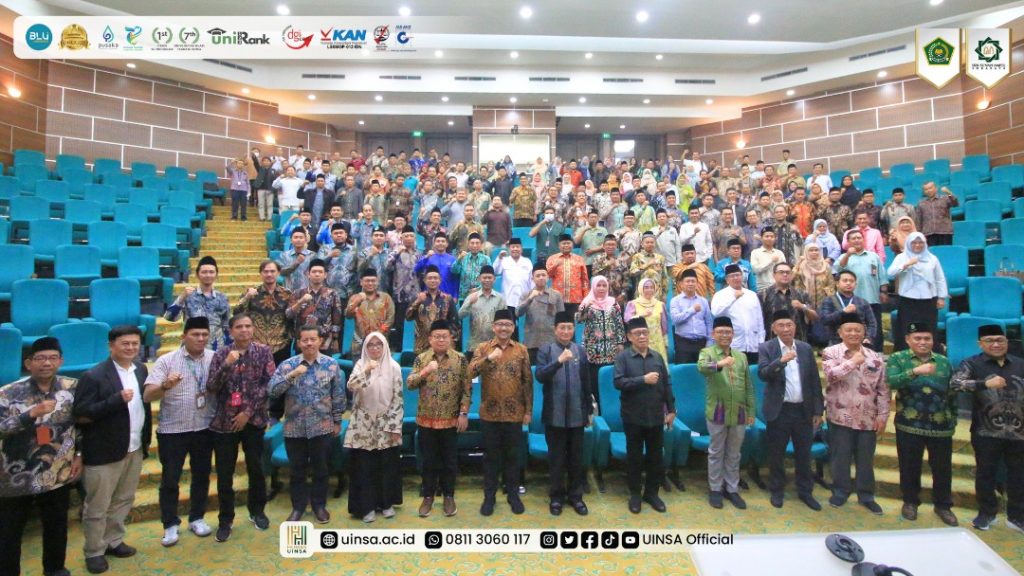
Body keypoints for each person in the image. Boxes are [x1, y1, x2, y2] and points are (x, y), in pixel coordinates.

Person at [73, 325, 152, 575]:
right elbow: (81, 414)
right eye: (125, 343)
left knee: (124, 499)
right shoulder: (93, 376)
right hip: (104, 450)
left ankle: (113, 540)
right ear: (111, 346)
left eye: (135, 343)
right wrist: (115, 400)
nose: (131, 348)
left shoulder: (141, 369)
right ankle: (94, 551)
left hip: (133, 446)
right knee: (97, 506)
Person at [0, 337, 80, 576]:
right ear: (28, 363)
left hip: (57, 469)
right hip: (16, 474)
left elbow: (80, 425)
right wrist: (29, 415)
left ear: (61, 361)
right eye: (40, 358)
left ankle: (55, 568)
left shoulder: (72, 387)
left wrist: (79, 454)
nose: (47, 363)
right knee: (9, 531)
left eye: (53, 358)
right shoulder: (8, 392)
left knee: (57, 524)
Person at [143, 317, 215, 547]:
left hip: (204, 428)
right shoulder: (166, 361)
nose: (200, 339)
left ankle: (197, 517)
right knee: (170, 479)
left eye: (204, 335)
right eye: (195, 334)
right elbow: (148, 396)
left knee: (202, 476)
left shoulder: (214, 358)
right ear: (184, 336)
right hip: (173, 430)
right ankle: (170, 523)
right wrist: (165, 385)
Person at [206, 314, 274, 540]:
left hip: (253, 420)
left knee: (256, 468)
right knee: (225, 473)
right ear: (231, 331)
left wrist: (247, 412)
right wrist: (226, 365)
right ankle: (225, 519)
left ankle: (257, 511)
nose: (244, 330)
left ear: (253, 328)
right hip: (225, 422)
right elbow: (212, 386)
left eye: (248, 326)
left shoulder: (264, 352)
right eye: (239, 327)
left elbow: (268, 385)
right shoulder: (221, 354)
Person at [269, 325, 345, 524]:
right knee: (297, 471)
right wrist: (292, 375)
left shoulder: (331, 365)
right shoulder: (288, 365)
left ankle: (319, 506)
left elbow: (338, 395)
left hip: (322, 426)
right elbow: (272, 391)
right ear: (299, 342)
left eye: (313, 339)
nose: (309, 343)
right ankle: (298, 507)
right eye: (305, 340)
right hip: (294, 428)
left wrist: (337, 421)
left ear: (320, 341)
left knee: (321, 469)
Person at [951, 324, 1024, 532]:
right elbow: (955, 384)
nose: (996, 344)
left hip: (1019, 432)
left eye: (1000, 340)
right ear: (980, 344)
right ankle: (986, 513)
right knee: (985, 474)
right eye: (990, 341)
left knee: (1019, 475)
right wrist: (984, 384)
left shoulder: (1020, 364)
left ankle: (1017, 517)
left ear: (1007, 342)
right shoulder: (972, 363)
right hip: (986, 431)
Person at [885, 323, 958, 526]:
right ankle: (910, 502)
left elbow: (952, 393)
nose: (923, 342)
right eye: (918, 338)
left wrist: (953, 418)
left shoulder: (943, 361)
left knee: (942, 468)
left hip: (941, 426)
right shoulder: (898, 358)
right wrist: (915, 371)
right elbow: (890, 382)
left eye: (927, 338)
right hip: (909, 424)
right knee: (909, 466)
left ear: (933, 341)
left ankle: (943, 505)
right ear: (908, 340)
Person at [822, 313, 889, 514]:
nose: (853, 333)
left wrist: (883, 415)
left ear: (864, 332)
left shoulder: (875, 357)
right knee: (840, 457)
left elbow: (883, 389)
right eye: (848, 330)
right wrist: (852, 362)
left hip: (867, 417)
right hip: (839, 415)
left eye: (857, 330)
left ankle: (866, 495)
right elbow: (830, 375)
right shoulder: (831, 352)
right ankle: (840, 491)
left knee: (865, 459)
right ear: (840, 332)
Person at [757, 311, 824, 511]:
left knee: (804, 453)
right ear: (773, 328)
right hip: (780, 410)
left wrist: (818, 410)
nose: (786, 329)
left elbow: (814, 381)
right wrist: (781, 361)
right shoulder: (767, 348)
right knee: (777, 453)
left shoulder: (805, 348)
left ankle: (805, 491)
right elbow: (763, 374)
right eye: (781, 325)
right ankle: (777, 490)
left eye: (789, 325)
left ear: (795, 327)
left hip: (803, 410)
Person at [469, 310, 533, 516]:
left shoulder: (522, 350)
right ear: (493, 327)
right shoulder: (483, 348)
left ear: (513, 328)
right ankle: (489, 497)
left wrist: (528, 410)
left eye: (508, 324)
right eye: (500, 324)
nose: (504, 328)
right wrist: (488, 358)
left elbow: (527, 381)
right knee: (491, 458)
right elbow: (470, 372)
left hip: (514, 413)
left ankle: (513, 496)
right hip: (490, 413)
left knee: (513, 457)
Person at [408, 321, 472, 518]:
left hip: (450, 420)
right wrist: (425, 371)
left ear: (451, 338)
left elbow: (467, 388)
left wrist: (463, 413)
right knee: (428, 461)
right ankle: (428, 496)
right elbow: (410, 384)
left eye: (445, 336)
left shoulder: (460, 359)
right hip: (426, 419)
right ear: (430, 339)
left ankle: (449, 496)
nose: (441, 340)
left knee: (449, 461)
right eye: (437, 336)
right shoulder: (421, 359)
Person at [614, 317, 676, 514]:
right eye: (637, 333)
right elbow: (619, 383)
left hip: (656, 416)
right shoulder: (623, 358)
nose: (642, 336)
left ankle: (652, 493)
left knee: (655, 457)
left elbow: (666, 384)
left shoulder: (657, 357)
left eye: (645, 332)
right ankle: (635, 494)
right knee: (634, 457)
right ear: (629, 337)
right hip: (633, 416)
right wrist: (643, 379)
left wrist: (671, 410)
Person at [535, 311, 593, 516]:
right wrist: (558, 361)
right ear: (555, 330)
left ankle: (576, 497)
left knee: (576, 459)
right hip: (555, 415)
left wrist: (589, 411)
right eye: (562, 328)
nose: (566, 331)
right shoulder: (546, 350)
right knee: (557, 459)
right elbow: (540, 376)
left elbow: (586, 383)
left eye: (569, 328)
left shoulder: (581, 351)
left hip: (577, 414)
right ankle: (556, 497)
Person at [345, 332, 403, 523]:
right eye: (371, 345)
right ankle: (367, 507)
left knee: (386, 465)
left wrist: (395, 427)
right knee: (364, 467)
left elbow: (398, 398)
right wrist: (367, 371)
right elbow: (352, 386)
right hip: (363, 422)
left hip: (386, 421)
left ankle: (386, 504)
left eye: (379, 344)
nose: (375, 348)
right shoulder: (360, 364)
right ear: (365, 348)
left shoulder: (394, 367)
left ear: (385, 346)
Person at [698, 316, 755, 510]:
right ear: (713, 334)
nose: (724, 335)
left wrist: (751, 410)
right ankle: (715, 489)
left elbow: (748, 385)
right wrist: (720, 363)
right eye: (720, 332)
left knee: (734, 453)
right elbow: (701, 368)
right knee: (716, 452)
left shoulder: (741, 357)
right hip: (717, 411)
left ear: (733, 334)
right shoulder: (707, 352)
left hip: (739, 411)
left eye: (728, 332)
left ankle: (732, 489)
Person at [887, 233, 947, 351]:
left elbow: (940, 278)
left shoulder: (932, 258)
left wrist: (941, 297)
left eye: (920, 243)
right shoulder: (901, 257)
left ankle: (929, 353)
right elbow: (890, 273)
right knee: (907, 327)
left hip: (928, 299)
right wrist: (907, 264)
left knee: (928, 327)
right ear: (909, 244)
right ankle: (906, 353)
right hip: (908, 300)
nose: (917, 245)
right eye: (914, 243)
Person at [833, 228, 888, 350]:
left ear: (863, 240)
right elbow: (837, 270)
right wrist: (848, 254)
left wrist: (884, 291)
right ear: (848, 242)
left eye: (859, 238)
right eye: (853, 238)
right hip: (852, 301)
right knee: (854, 327)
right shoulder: (844, 257)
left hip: (872, 298)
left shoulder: (873, 256)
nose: (857, 240)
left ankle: (876, 352)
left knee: (875, 325)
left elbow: (882, 276)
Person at [577, 276, 625, 409]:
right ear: (593, 287)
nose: (602, 288)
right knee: (594, 382)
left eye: (604, 285)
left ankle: (610, 409)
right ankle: (595, 409)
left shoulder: (613, 303)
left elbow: (619, 324)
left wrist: (620, 342)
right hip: (593, 350)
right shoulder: (587, 303)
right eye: (598, 285)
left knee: (609, 381)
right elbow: (579, 319)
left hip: (611, 350)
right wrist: (586, 306)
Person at [164, 256, 232, 351]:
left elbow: (227, 326)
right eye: (204, 272)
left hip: (215, 348)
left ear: (216, 274)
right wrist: (182, 297)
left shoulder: (222, 298)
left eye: (211, 272)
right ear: (197, 274)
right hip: (191, 347)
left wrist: (228, 349)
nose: (208, 275)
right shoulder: (188, 295)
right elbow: (169, 317)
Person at [234, 260, 293, 366]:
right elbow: (237, 314)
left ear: (278, 273)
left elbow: (291, 318)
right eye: (266, 271)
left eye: (272, 271)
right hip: (256, 346)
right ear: (260, 273)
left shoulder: (287, 294)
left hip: (281, 346)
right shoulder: (251, 293)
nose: (269, 274)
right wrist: (247, 297)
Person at [286, 259, 344, 355]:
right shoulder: (297, 293)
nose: (317, 274)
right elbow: (288, 315)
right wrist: (301, 301)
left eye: (320, 272)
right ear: (308, 274)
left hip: (324, 342)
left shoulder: (332, 294)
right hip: (303, 342)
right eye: (314, 272)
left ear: (325, 275)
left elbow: (336, 319)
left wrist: (335, 339)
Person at [710, 264, 765, 365]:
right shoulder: (720, 295)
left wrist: (761, 341)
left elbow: (759, 319)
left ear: (742, 276)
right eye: (732, 276)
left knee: (752, 371)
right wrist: (733, 298)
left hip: (753, 345)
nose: (736, 278)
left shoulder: (752, 295)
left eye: (738, 275)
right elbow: (716, 312)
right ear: (727, 280)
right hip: (733, 345)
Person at [759, 262, 819, 343]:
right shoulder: (763, 295)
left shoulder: (801, 294)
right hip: (772, 342)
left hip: (797, 341)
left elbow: (814, 317)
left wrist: (803, 307)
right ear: (774, 275)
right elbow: (758, 321)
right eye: (781, 272)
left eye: (788, 272)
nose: (785, 274)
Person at [518, 263, 566, 364]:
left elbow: (562, 319)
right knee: (532, 371)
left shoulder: (556, 295)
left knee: (552, 370)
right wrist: (530, 298)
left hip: (551, 342)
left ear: (548, 277)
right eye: (538, 276)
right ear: (532, 278)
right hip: (532, 342)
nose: (541, 278)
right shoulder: (526, 295)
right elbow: (518, 313)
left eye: (543, 275)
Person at [407, 265, 460, 354]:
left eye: (435, 278)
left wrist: (450, 341)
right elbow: (408, 317)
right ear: (424, 280)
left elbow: (455, 323)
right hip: (422, 345)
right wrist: (417, 302)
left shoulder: (447, 299)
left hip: (442, 344)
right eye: (430, 278)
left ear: (440, 280)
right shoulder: (417, 297)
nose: (432, 280)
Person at [345, 268, 396, 359]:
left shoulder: (386, 298)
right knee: (359, 368)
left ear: (377, 282)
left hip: (380, 344)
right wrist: (357, 301)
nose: (370, 283)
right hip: (359, 345)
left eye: (373, 281)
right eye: (367, 281)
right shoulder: (355, 297)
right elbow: (348, 315)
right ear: (361, 282)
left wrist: (376, 335)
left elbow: (390, 319)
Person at [818, 270, 878, 347]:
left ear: (855, 284)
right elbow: (824, 320)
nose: (848, 283)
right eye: (845, 281)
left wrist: (868, 337)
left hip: (859, 343)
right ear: (837, 284)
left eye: (851, 281)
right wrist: (843, 312)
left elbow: (872, 323)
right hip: (836, 342)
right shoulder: (829, 300)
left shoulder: (863, 302)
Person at [792, 243, 836, 347]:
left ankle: (820, 344)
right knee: (805, 322)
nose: (814, 252)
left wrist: (828, 295)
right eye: (811, 250)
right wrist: (798, 263)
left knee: (820, 326)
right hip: (805, 300)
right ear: (806, 252)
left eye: (816, 250)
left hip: (822, 300)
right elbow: (793, 279)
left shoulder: (826, 266)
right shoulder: (801, 266)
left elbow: (831, 284)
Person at [670, 268, 713, 364]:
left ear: (697, 283)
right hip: (683, 343)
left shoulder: (703, 301)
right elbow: (675, 319)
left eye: (693, 281)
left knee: (705, 370)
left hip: (702, 343)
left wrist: (710, 342)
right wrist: (692, 310)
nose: (690, 284)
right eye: (687, 281)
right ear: (681, 284)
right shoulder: (675, 300)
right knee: (684, 370)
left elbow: (709, 323)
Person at [459, 265, 507, 349]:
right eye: (484, 278)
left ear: (494, 279)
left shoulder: (500, 299)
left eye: (489, 278)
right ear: (479, 279)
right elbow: (459, 316)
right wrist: (469, 303)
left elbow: (505, 321)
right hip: (475, 345)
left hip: (495, 344)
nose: (487, 280)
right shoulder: (472, 297)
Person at [625, 278, 669, 366]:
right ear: (641, 289)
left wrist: (665, 342)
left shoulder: (660, 304)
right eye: (646, 287)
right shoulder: (633, 304)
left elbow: (664, 327)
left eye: (652, 287)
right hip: (640, 340)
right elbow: (627, 320)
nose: (649, 290)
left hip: (657, 342)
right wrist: (641, 315)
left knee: (658, 366)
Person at [547, 234, 589, 317]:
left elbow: (585, 280)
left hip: (576, 299)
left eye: (568, 243)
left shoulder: (579, 259)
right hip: (558, 299)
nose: (566, 245)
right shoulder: (552, 259)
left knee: (573, 322)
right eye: (564, 243)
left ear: (572, 244)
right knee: (558, 322)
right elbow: (547, 276)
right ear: (559, 245)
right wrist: (555, 265)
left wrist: (586, 297)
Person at [415, 235, 459, 300]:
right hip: (429, 295)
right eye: (438, 241)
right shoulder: (428, 257)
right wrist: (426, 257)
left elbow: (456, 278)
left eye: (443, 241)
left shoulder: (453, 259)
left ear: (447, 244)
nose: (440, 243)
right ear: (434, 244)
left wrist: (455, 295)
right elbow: (416, 269)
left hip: (447, 295)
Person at [629, 231, 670, 300]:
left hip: (657, 294)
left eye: (652, 242)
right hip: (641, 294)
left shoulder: (660, 258)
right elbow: (632, 273)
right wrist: (647, 265)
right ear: (642, 244)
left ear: (655, 243)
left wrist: (664, 294)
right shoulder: (637, 257)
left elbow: (664, 277)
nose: (650, 244)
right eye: (647, 242)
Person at [916, 181, 958, 246]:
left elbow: (955, 204)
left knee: (945, 251)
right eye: (926, 189)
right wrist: (919, 234)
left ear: (936, 188)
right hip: (928, 234)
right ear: (924, 192)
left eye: (930, 188)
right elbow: (919, 220)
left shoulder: (945, 198)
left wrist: (949, 193)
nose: (928, 190)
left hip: (945, 232)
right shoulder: (921, 203)